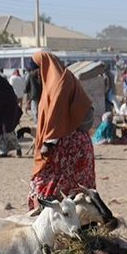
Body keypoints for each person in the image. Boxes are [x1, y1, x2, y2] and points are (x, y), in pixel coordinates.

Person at [29, 51, 96, 209]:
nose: (34, 75)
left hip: (67, 145)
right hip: (75, 143)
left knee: (47, 186)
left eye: (35, 70)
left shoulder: (58, 82)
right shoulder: (63, 78)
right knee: (74, 188)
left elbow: (57, 114)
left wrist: (48, 143)